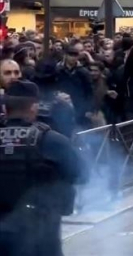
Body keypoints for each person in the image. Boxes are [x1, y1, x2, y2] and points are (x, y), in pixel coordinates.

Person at [0, 80, 88, 256]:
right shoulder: (51, 140)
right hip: (41, 233)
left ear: (5, 108)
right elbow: (82, 174)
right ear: (34, 107)